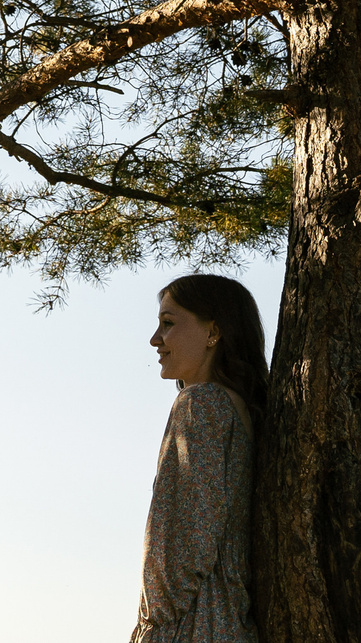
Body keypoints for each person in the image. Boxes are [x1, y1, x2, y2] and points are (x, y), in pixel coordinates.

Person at [132, 273, 264, 643]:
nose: (155, 339)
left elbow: (187, 538)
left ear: (213, 332)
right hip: (228, 616)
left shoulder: (200, 403)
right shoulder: (237, 408)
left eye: (168, 323)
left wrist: (153, 623)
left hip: (194, 622)